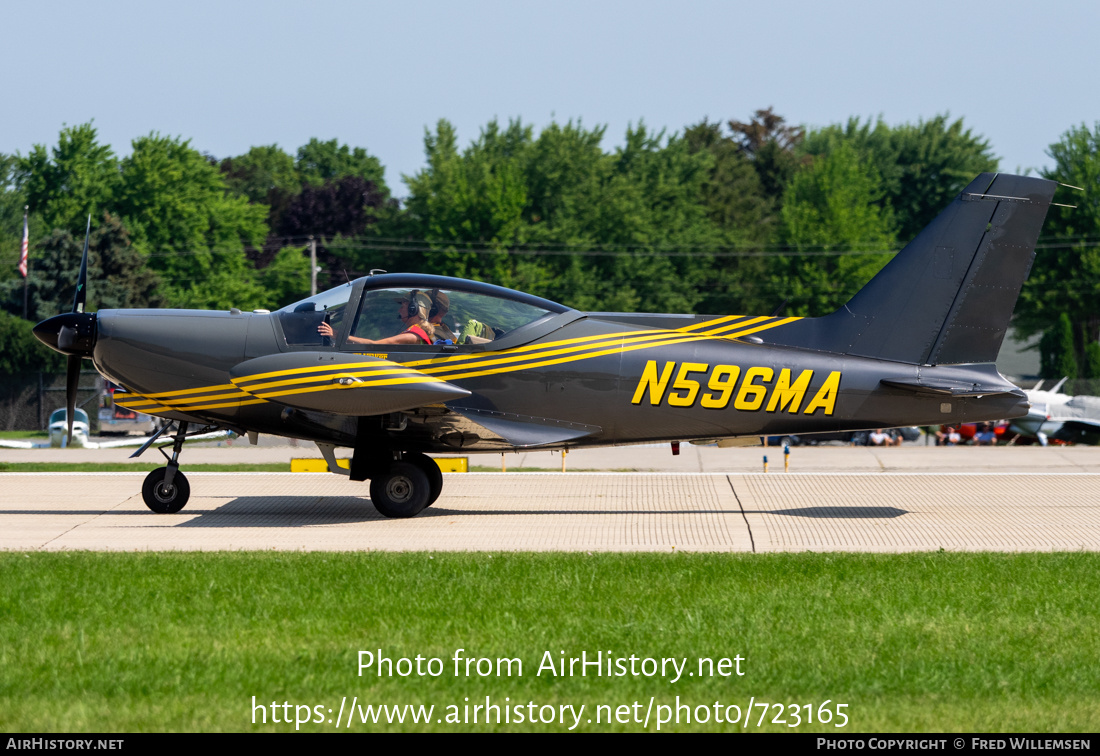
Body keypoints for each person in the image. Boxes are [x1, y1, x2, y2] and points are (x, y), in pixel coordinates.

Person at [319, 290, 435, 345]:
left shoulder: (412, 336)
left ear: (413, 309)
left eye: (403, 306)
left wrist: (338, 335)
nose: (399, 310)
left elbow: (374, 345)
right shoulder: (416, 333)